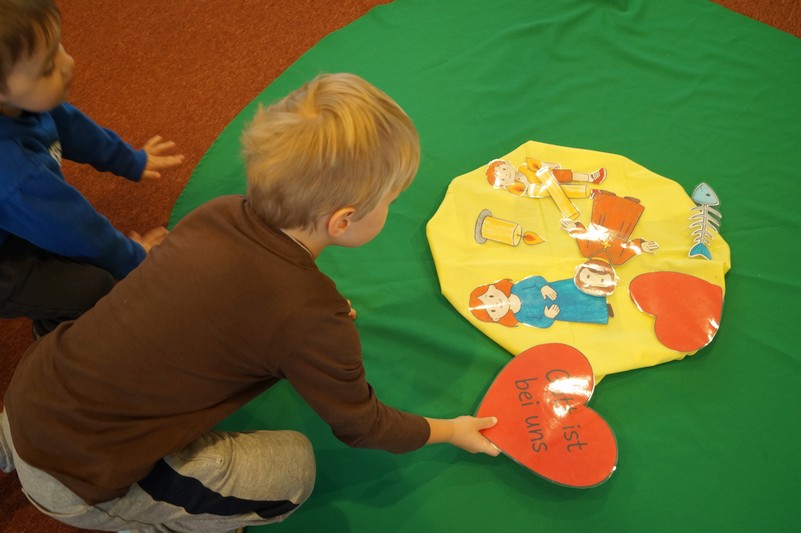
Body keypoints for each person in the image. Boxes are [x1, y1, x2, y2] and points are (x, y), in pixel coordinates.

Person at [0, 72, 500, 532]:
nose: (391, 207)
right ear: (343, 220)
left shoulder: (215, 213)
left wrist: (313, 320)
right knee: (295, 469)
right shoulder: (313, 320)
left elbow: (231, 298)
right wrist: (451, 429)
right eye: (390, 199)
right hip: (80, 479)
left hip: (30, 391)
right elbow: (362, 425)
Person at [0, 0, 184, 336]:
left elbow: (70, 126)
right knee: (94, 286)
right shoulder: (16, 171)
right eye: (48, 68)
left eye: (58, 47)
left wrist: (129, 159)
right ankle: (55, 333)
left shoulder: (23, 104)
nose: (69, 63)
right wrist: (135, 258)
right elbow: (74, 226)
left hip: (18, 212)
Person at [469, 259, 618, 329]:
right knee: (581, 311)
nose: (496, 303)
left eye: (491, 297)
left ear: (493, 289)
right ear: (496, 317)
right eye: (493, 309)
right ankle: (605, 310)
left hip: (559, 290)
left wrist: (543, 287)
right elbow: (541, 324)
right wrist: (548, 316)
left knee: (580, 291)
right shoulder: (520, 317)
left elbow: (535, 280)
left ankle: (603, 289)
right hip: (559, 311)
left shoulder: (517, 288)